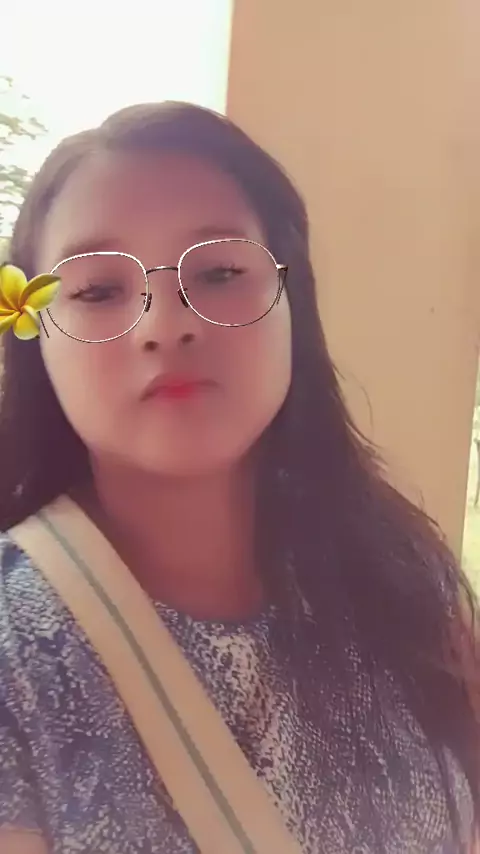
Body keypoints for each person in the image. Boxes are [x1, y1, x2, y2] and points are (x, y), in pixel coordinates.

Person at [0, 101, 478, 854]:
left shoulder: (403, 579)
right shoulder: (16, 652)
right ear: (35, 338)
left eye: (220, 271)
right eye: (97, 290)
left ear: (292, 301)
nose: (167, 324)